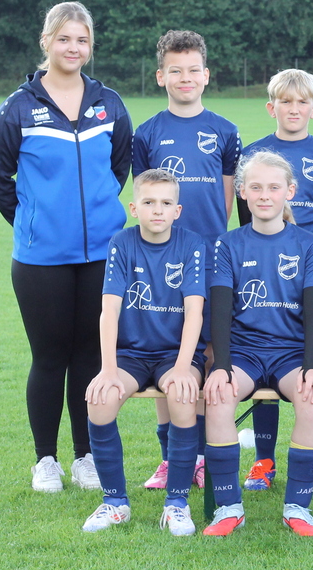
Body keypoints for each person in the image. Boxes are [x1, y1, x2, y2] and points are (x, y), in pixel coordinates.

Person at [0, 1, 132, 493]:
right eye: (64, 38)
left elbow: (118, 167)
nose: (74, 48)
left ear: (90, 46)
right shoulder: (17, 107)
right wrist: (35, 223)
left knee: (90, 357)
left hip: (102, 257)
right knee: (49, 358)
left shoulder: (109, 103)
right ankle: (45, 460)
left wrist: (95, 218)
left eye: (82, 40)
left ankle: (85, 456)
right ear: (46, 41)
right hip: (41, 259)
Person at [132, 29, 241, 492]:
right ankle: (168, 458)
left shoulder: (225, 130)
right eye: (175, 70)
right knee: (165, 351)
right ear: (161, 76)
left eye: (193, 70)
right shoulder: (148, 132)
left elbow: (228, 197)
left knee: (205, 352)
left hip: (212, 259)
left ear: (206, 75)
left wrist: (212, 243)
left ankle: (197, 456)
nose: (185, 77)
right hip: (163, 261)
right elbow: (145, 195)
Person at [201, 150, 313, 537]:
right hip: (243, 353)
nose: (265, 195)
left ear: (290, 191)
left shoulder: (309, 244)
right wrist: (221, 365)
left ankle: (297, 508)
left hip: (291, 353)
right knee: (219, 396)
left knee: (310, 398)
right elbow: (219, 312)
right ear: (241, 192)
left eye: (274, 187)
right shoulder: (228, 244)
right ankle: (228, 508)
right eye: (255, 187)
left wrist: (310, 366)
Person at [81, 170, 206, 535]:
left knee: (182, 397)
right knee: (100, 400)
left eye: (166, 203)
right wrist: (106, 370)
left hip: (174, 354)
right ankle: (115, 502)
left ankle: (177, 503)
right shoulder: (122, 243)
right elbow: (110, 311)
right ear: (134, 208)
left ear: (177, 210)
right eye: (149, 203)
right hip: (131, 355)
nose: (158, 210)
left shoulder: (191, 244)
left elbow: (195, 311)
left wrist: (184, 368)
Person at [237, 68, 313, 493]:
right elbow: (248, 219)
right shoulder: (254, 152)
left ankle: (311, 458)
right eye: (285, 102)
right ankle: (263, 459)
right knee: (265, 351)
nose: (293, 109)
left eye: (301, 102)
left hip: (312, 273)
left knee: (308, 358)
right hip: (263, 273)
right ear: (271, 106)